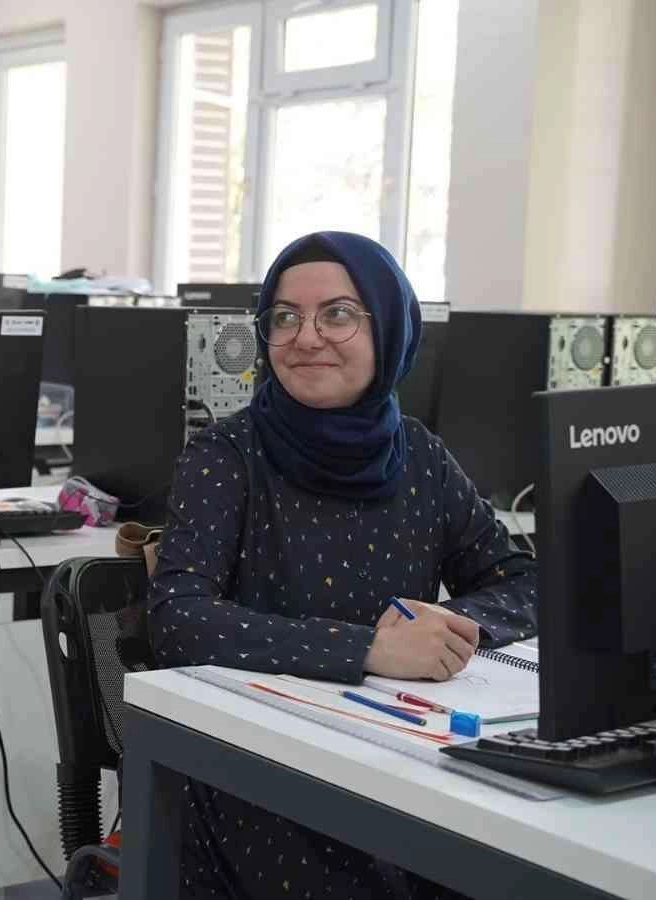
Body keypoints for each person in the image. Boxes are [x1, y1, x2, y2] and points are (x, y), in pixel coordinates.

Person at [145, 231, 538, 899]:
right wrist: (370, 649)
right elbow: (178, 620)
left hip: (400, 748)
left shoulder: (420, 455)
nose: (307, 337)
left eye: (338, 314)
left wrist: (445, 626)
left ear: (389, 330)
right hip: (258, 767)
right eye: (285, 317)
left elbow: (524, 582)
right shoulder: (226, 456)